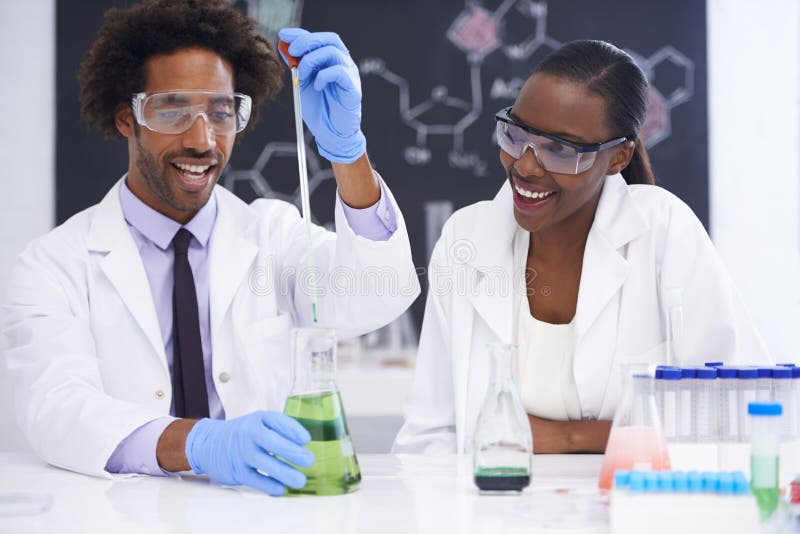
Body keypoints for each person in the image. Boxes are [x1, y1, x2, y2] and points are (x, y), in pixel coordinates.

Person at [2, 0, 419, 495]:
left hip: (258, 512)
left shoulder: (271, 237)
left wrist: (347, 153)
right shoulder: (53, 267)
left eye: (221, 112)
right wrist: (197, 443)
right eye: (173, 109)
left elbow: (375, 296)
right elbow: (56, 407)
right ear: (125, 118)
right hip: (119, 519)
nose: (202, 140)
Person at [392, 40, 770, 455]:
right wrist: (611, 434)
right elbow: (428, 437)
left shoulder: (663, 232)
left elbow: (741, 410)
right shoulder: (466, 238)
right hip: (499, 511)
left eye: (561, 149)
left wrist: (564, 437)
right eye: (517, 134)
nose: (525, 165)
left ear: (618, 158)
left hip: (633, 510)